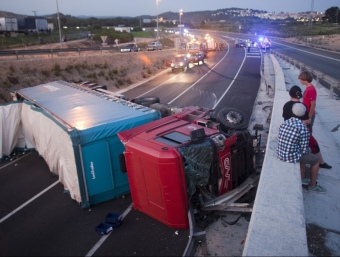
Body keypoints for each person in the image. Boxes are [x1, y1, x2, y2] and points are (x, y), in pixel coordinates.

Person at [277, 102, 326, 193]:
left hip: (280, 153)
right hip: (290, 157)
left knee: (301, 155)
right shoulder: (303, 129)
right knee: (315, 160)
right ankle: (312, 185)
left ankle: (302, 178)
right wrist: (311, 149)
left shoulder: (285, 122)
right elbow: (304, 150)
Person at [282, 85, 332, 169]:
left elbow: (285, 118)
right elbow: (307, 122)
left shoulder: (286, 105)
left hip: (289, 133)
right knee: (314, 144)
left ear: (290, 94)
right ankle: (320, 162)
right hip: (301, 132)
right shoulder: (303, 107)